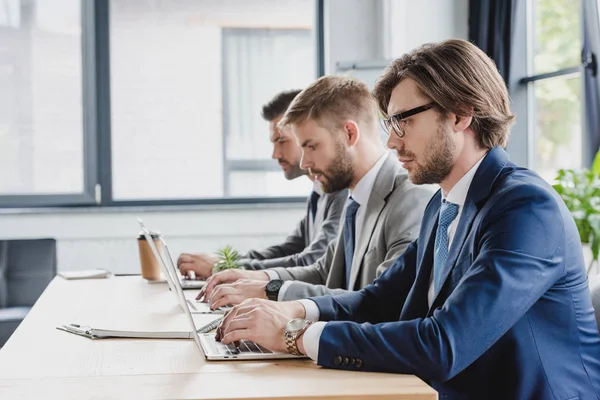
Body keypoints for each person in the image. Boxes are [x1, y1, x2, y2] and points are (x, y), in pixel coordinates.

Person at [214, 39, 600, 399]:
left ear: (461, 114)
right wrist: (293, 310)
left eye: (403, 121)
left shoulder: (525, 208)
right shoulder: (442, 205)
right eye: (389, 124)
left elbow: (444, 343)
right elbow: (379, 300)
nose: (392, 141)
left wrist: (293, 335)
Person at [198, 75, 433, 309]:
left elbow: (380, 302)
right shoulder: (357, 199)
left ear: (349, 134)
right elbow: (322, 272)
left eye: (311, 146)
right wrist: (257, 278)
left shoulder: (411, 199)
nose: (304, 163)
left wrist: (272, 292)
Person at [177, 90, 347, 279]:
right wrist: (226, 264)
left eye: (281, 141)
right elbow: (288, 250)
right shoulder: (319, 192)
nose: (275, 154)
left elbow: (312, 260)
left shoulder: (341, 192)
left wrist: (223, 268)